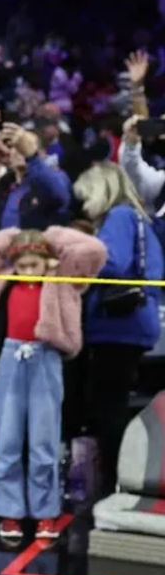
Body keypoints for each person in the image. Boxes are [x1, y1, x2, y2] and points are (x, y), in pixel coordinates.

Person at [0, 227, 106, 543]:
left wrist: (52, 238)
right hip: (11, 359)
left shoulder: (65, 282)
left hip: (46, 359)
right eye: (22, 264)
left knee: (44, 441)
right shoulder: (2, 278)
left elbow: (94, 250)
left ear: (47, 261)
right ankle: (10, 512)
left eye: (34, 264)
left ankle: (44, 513)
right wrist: (13, 235)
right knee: (9, 439)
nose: (28, 271)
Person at [73, 162, 165, 495]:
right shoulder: (139, 218)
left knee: (107, 407)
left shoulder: (120, 217)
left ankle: (112, 483)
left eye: (87, 197)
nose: (84, 205)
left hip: (119, 326)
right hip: (135, 323)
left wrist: (71, 251)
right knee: (112, 403)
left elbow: (110, 262)